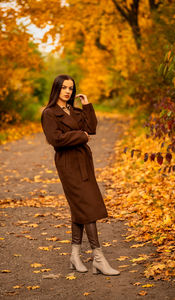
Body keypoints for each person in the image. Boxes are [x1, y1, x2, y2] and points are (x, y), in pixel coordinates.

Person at [41, 74, 120, 276]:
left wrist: (87, 105)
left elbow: (91, 128)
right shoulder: (49, 113)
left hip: (84, 162)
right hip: (68, 165)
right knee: (88, 206)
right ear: (56, 89)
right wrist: (81, 136)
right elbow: (55, 140)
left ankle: (75, 256)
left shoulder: (74, 110)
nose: (68, 91)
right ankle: (99, 259)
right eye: (64, 87)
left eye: (71, 88)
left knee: (80, 207)